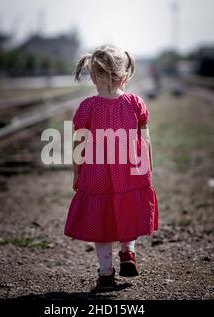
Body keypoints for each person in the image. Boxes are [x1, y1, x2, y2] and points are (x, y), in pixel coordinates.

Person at [64, 45, 159, 290]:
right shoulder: (135, 103)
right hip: (131, 171)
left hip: (97, 175)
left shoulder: (87, 107)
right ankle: (128, 252)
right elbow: (145, 140)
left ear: (93, 77)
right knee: (128, 211)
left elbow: (79, 143)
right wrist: (149, 169)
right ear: (125, 76)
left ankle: (106, 273)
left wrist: (77, 171)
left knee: (100, 220)